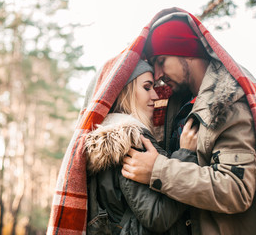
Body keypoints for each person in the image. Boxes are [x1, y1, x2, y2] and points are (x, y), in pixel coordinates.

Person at [121, 11, 256, 235]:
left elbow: (236, 189)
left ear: (187, 52)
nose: (157, 75)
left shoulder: (228, 103)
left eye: (161, 61)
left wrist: (158, 170)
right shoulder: (175, 103)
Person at [84, 59, 198, 234]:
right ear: (126, 92)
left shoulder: (115, 139)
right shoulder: (131, 142)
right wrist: (186, 155)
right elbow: (157, 216)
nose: (155, 95)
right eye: (147, 87)